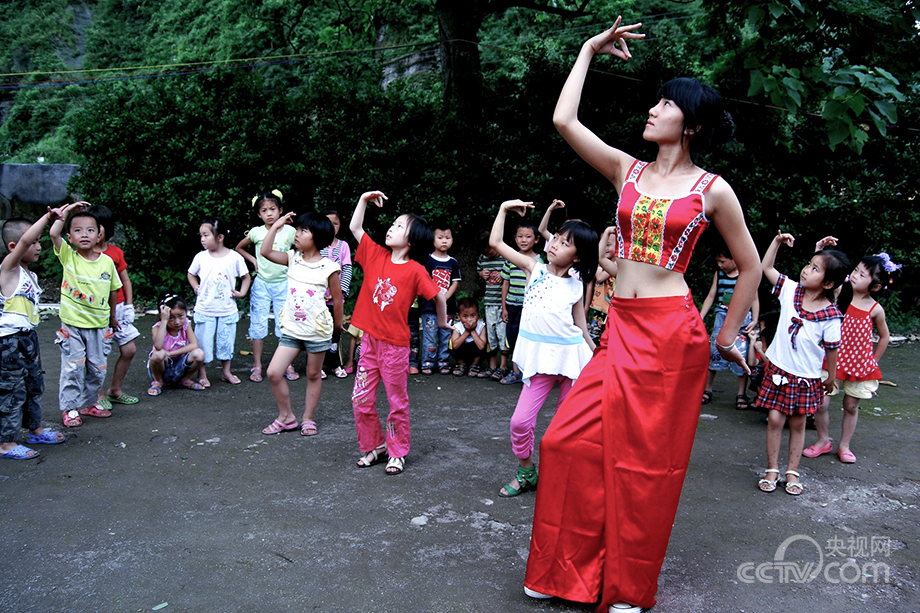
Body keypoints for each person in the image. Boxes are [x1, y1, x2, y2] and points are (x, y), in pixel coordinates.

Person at [523, 18, 760, 613]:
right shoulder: (626, 170)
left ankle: (628, 588)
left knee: (645, 467)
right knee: (565, 442)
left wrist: (726, 336)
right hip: (620, 329)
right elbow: (564, 121)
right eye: (655, 101)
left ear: (692, 123)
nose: (653, 110)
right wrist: (587, 50)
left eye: (666, 104)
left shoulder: (712, 189)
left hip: (671, 335)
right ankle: (563, 571)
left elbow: (750, 265)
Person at [490, 202, 597, 498]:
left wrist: (598, 354)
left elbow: (581, 327)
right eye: (556, 238)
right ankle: (527, 472)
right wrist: (503, 210)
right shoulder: (533, 268)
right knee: (520, 422)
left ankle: (561, 476)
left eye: (565, 243)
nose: (555, 244)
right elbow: (496, 242)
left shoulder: (577, 284)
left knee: (565, 428)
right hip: (540, 361)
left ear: (578, 256)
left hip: (572, 361)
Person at [348, 190, 448, 475]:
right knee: (360, 399)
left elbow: (438, 296)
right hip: (369, 343)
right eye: (393, 224)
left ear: (412, 240)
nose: (391, 228)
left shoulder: (416, 270)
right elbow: (355, 227)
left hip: (395, 348)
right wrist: (363, 200)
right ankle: (375, 445)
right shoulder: (375, 254)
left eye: (399, 226)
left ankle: (397, 451)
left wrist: (442, 323)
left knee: (397, 403)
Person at [755, 233, 848, 497]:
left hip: (806, 378)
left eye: (815, 268)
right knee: (775, 419)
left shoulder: (831, 316)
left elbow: (832, 349)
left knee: (798, 424)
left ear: (828, 283)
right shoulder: (791, 290)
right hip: (779, 371)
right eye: (808, 264)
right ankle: (772, 468)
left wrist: (831, 376)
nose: (806, 270)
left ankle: (792, 471)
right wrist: (775, 242)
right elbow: (766, 268)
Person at [803, 252, 895, 464]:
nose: (854, 275)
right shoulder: (840, 292)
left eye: (861, 274)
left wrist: (873, 361)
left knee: (851, 406)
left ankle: (844, 445)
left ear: (876, 287)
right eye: (855, 270)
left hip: (858, 366)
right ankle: (823, 440)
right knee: (821, 403)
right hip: (831, 360)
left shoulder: (876, 309)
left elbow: (884, 336)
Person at [259, 212, 342, 437]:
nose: (297, 234)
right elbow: (265, 252)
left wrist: (337, 329)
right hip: (292, 329)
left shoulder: (329, 267)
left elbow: (337, 301)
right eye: (297, 229)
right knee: (274, 372)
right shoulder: (292, 258)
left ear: (318, 237)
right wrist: (276, 225)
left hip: (317, 332)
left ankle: (308, 418)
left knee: (313, 375)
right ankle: (286, 417)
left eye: (303, 230)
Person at [50, 202, 123, 427]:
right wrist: (65, 212)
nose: (84, 234)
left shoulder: (107, 263)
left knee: (98, 369)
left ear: (99, 235)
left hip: (99, 326)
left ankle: (89, 404)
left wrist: (113, 317)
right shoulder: (69, 257)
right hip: (72, 325)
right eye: (78, 230)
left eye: (90, 230)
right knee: (73, 368)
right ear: (70, 237)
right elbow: (53, 233)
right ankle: (70, 408)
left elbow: (113, 291)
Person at [0, 213, 65, 459]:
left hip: (28, 337)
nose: (38, 247)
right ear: (13, 247)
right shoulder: (8, 269)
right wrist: (47, 217)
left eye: (39, 242)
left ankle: (35, 430)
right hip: (8, 341)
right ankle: (6, 443)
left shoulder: (30, 275)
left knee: (33, 386)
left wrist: (63, 215)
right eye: (34, 242)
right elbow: (25, 240)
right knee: (12, 391)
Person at [235, 191, 299, 383]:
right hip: (261, 284)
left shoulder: (290, 231)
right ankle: (257, 365)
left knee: (285, 325)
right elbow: (239, 248)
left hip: (284, 284)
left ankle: (286, 364)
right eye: (264, 210)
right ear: (259, 214)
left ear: (281, 210)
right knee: (257, 325)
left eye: (273, 209)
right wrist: (254, 260)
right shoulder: (256, 232)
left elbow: (301, 249)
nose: (269, 213)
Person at [88, 204, 140, 410]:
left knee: (129, 349)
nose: (92, 232)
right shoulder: (84, 254)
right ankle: (99, 394)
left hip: (118, 309)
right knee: (98, 355)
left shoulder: (115, 253)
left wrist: (129, 305)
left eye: (96, 227)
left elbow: (125, 280)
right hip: (97, 311)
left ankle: (115, 390)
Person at [188, 217, 251, 387]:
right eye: (201, 235)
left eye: (206, 235)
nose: (202, 239)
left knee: (226, 342)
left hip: (226, 309)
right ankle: (202, 374)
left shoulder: (234, 257)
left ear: (220, 237)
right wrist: (195, 286)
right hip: (205, 308)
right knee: (203, 343)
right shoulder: (201, 257)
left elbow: (246, 277)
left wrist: (242, 293)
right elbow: (191, 273)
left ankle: (226, 372)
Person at [699, 243, 760, 409]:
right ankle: (707, 389)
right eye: (718, 261)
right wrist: (700, 316)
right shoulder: (719, 274)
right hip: (721, 317)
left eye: (723, 261)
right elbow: (711, 296)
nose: (720, 265)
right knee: (714, 352)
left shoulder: (746, 275)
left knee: (741, 355)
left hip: (742, 319)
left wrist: (754, 320)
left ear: (735, 259)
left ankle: (741, 393)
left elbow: (754, 298)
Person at [499, 220, 542, 384]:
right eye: (520, 236)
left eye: (528, 237)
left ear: (536, 239)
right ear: (515, 238)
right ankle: (516, 371)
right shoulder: (510, 259)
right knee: (512, 337)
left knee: (528, 338)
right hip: (512, 306)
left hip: (529, 308)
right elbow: (505, 283)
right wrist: (504, 307)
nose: (524, 240)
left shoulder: (539, 263)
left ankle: (529, 371)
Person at [420, 220, 460, 375]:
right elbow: (424, 280)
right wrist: (435, 296)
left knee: (445, 335)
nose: (444, 241)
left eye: (447, 238)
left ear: (452, 240)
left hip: (448, 308)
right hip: (430, 306)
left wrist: (445, 297)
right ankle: (427, 362)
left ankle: (443, 361)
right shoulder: (428, 260)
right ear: (433, 240)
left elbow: (455, 282)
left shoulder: (453, 262)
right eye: (440, 237)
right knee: (430, 335)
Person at [147, 294, 206, 395]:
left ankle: (184, 380)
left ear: (186, 312)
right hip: (162, 367)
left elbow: (194, 345)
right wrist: (164, 321)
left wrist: (171, 353)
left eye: (181, 316)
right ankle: (158, 382)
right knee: (158, 354)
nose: (177, 322)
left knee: (199, 354)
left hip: (180, 366)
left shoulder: (186, 324)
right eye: (171, 318)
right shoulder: (157, 327)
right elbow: (158, 346)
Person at [319, 206, 353, 379]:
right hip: (318, 299)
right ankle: (318, 365)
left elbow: (347, 270)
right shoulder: (316, 245)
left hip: (336, 300)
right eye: (327, 223)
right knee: (318, 331)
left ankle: (334, 363)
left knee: (335, 332)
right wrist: (319, 293)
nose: (332, 227)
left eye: (336, 223)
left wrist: (339, 293)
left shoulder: (343, 246)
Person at [475, 230, 508, 379]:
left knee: (503, 335)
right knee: (491, 335)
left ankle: (503, 366)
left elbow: (512, 273)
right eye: (485, 253)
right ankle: (492, 366)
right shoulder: (483, 259)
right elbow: (479, 270)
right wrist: (481, 274)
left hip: (503, 304)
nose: (488, 255)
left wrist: (504, 276)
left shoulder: (506, 257)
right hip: (489, 302)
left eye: (490, 251)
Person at [586, 227, 618, 345]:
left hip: (611, 309)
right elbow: (598, 278)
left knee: (609, 341)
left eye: (608, 245)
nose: (605, 248)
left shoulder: (619, 264)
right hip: (598, 308)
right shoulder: (600, 264)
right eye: (603, 244)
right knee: (594, 339)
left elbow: (600, 277)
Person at [449, 297, 487, 376]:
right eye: (465, 316)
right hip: (462, 352)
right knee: (450, 343)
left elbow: (481, 346)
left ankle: (475, 365)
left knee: (486, 345)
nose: (469, 319)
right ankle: (461, 364)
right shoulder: (457, 327)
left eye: (473, 315)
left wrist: (472, 330)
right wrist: (467, 331)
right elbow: (455, 345)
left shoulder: (481, 326)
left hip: (475, 353)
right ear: (459, 316)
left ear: (478, 314)